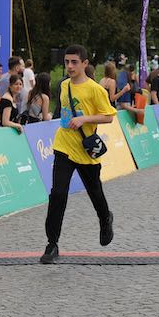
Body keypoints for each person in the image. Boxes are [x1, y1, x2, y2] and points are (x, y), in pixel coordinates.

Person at [40, 45, 118, 264]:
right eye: (67, 62)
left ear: (85, 63)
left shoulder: (95, 89)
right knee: (58, 194)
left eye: (74, 62)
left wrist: (84, 119)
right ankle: (52, 244)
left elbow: (109, 116)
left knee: (95, 191)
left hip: (86, 149)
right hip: (63, 146)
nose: (70, 66)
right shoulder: (64, 85)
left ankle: (105, 218)